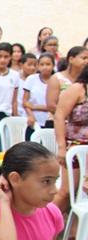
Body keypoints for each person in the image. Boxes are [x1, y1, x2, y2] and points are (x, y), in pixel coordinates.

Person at [53, 64, 88, 211]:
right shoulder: (78, 89)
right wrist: (61, 147)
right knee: (66, 191)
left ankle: (75, 231)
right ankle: (40, 224)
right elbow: (59, 116)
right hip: (75, 146)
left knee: (83, 194)